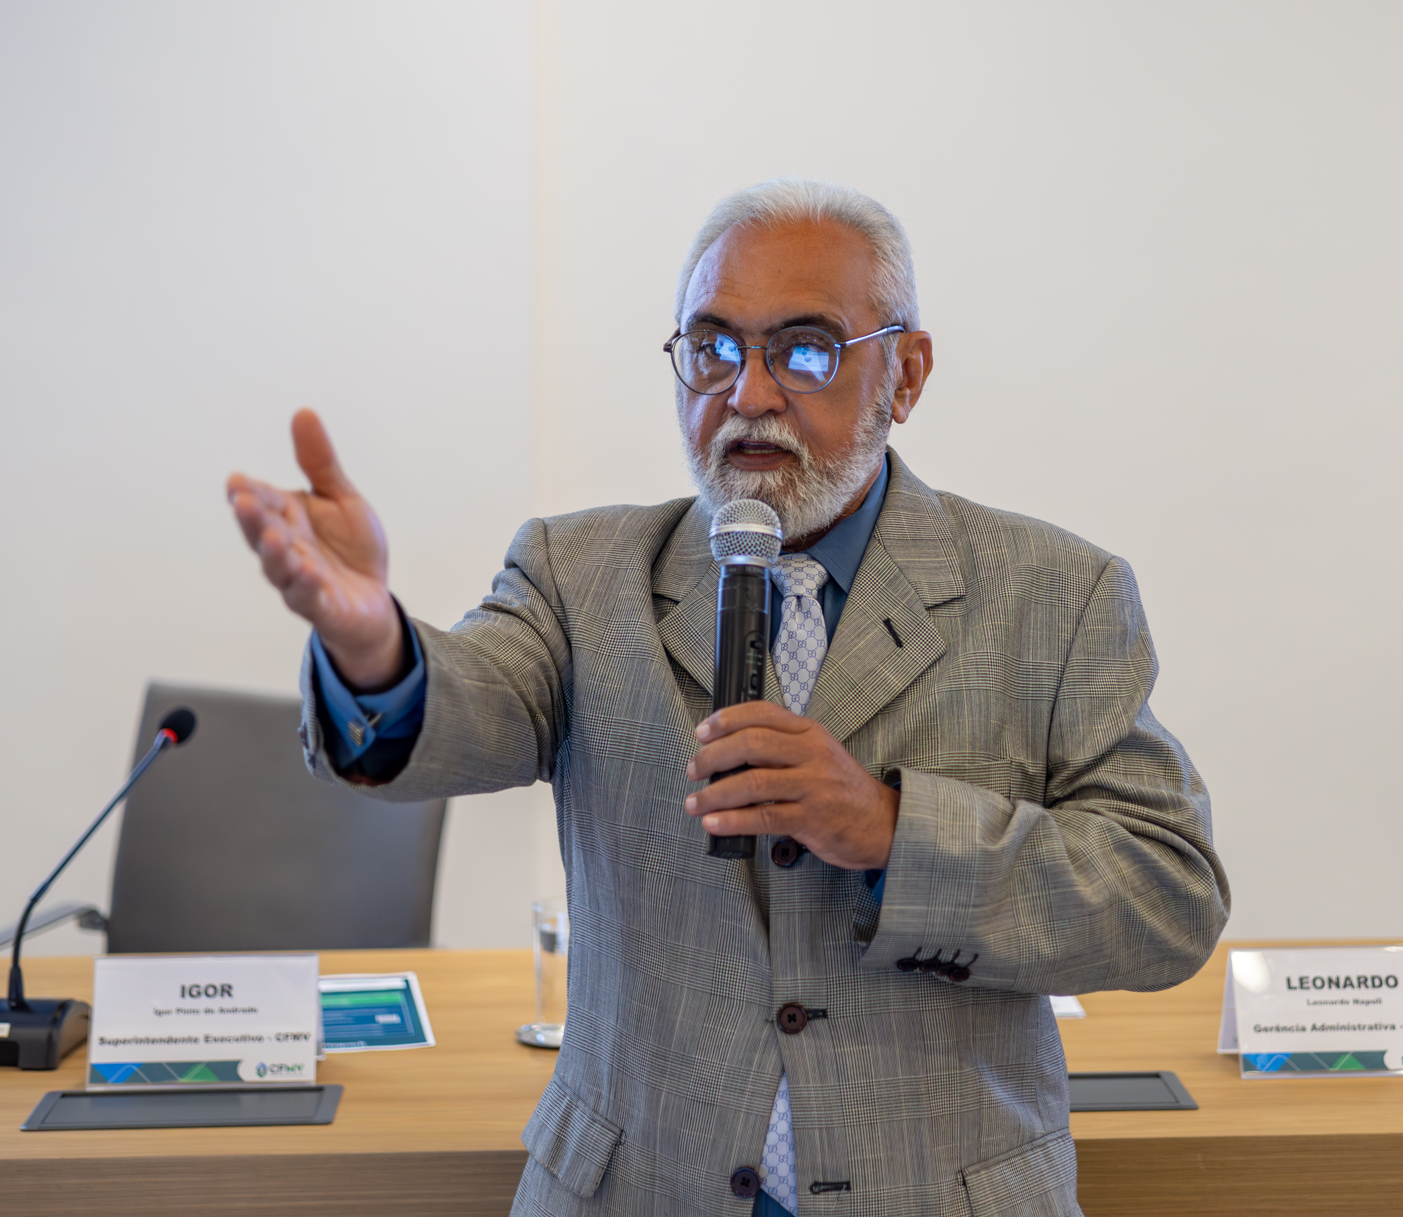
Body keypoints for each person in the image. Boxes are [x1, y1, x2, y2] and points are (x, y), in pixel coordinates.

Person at [227, 178, 1229, 1217]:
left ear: (906, 372)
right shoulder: (581, 574)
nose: (748, 392)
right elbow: (473, 706)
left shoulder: (1056, 594)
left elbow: (1166, 896)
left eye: (805, 351)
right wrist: (374, 647)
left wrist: (892, 830)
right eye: (711, 348)